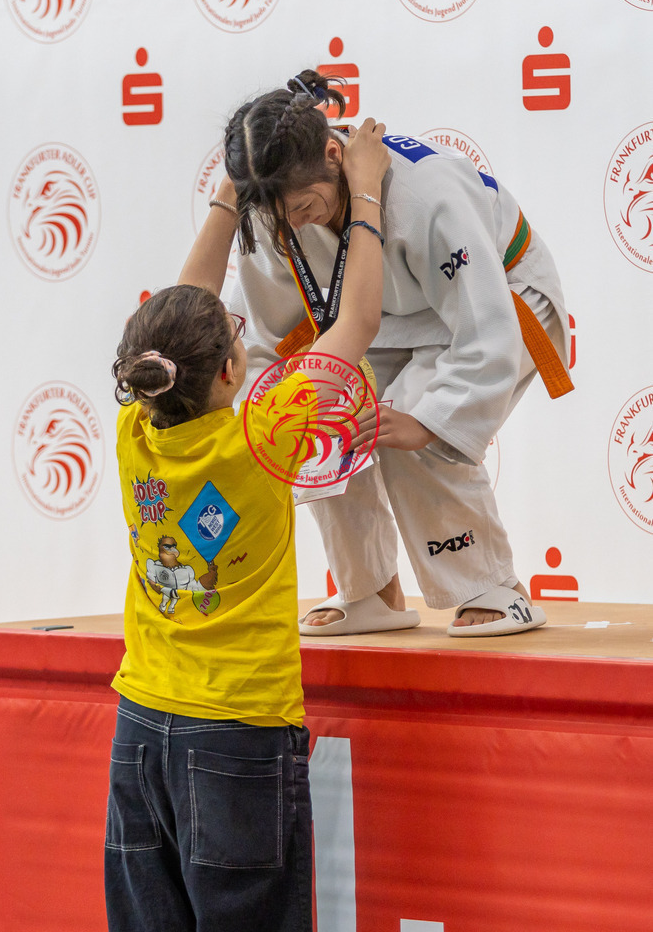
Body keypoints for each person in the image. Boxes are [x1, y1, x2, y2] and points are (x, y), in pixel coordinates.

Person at [105, 118, 394, 932]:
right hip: (234, 734)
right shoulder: (262, 434)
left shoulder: (135, 432)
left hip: (140, 728)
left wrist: (229, 194)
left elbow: (183, 314)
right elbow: (359, 324)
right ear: (234, 372)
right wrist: (364, 187)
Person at [209, 68, 573, 639]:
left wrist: (429, 421)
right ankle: (369, 589)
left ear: (335, 154)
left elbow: (485, 325)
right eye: (282, 216)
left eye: (306, 208)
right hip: (388, 326)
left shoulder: (425, 194)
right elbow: (262, 333)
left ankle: (491, 586)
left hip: (502, 296)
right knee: (310, 413)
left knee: (412, 425)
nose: (295, 224)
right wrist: (269, 410)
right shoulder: (273, 207)